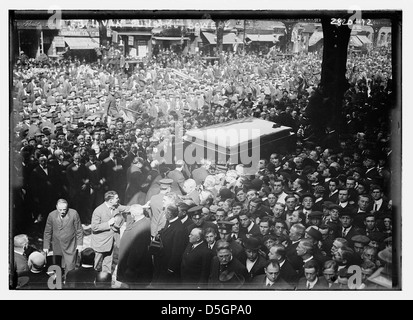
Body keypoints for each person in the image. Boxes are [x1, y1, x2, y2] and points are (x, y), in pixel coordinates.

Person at [91, 191, 129, 273]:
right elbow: (94, 227)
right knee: (95, 263)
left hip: (111, 241)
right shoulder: (98, 210)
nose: (118, 199)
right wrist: (108, 223)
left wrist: (143, 207)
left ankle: (106, 280)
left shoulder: (116, 206)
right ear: (110, 200)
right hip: (100, 243)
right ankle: (91, 279)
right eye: (117, 198)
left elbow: (127, 208)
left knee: (108, 263)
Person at [116, 204, 153, 288]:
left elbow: (137, 251)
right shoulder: (145, 221)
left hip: (134, 268)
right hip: (137, 265)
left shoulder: (139, 227)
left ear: (133, 215)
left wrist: (130, 267)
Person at [43, 199, 83, 274]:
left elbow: (79, 230)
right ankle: (60, 282)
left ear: (67, 208)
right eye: (60, 210)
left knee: (70, 266)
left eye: (64, 209)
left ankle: (69, 282)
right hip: (57, 245)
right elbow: (47, 232)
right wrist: (46, 246)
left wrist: (80, 244)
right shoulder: (51, 215)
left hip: (70, 245)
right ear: (56, 207)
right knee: (58, 266)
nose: (62, 212)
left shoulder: (74, 214)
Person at [152, 205, 187, 288]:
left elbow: (177, 250)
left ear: (170, 214)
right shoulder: (170, 222)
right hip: (162, 262)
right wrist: (159, 234)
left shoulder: (179, 229)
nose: (164, 215)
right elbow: (165, 231)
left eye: (165, 213)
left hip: (168, 265)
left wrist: (171, 267)